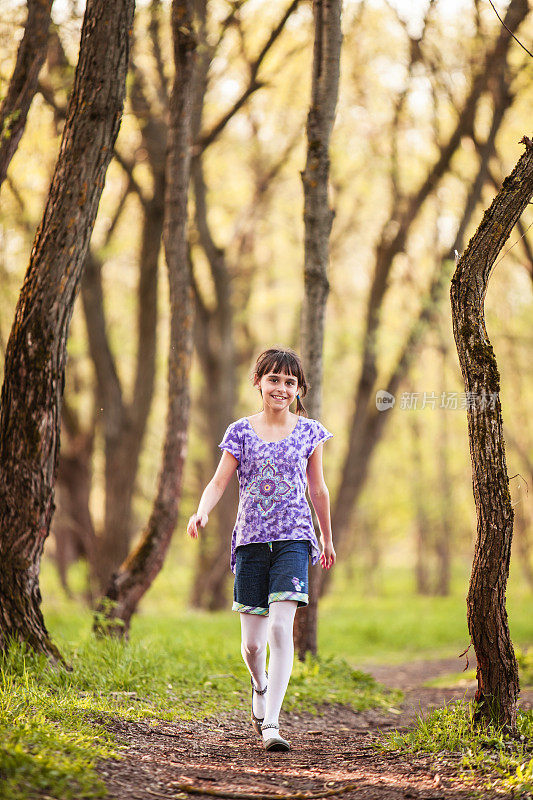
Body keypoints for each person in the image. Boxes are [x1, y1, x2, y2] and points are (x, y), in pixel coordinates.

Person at [186, 346, 335, 752]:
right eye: (273, 379)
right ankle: (259, 683)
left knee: (279, 627)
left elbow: (318, 489)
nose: (281, 388)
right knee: (252, 646)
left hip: (295, 539)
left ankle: (271, 721)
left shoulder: (310, 432)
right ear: (258, 382)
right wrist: (201, 513)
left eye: (290, 382)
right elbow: (218, 483)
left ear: (299, 389)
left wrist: (326, 537)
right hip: (250, 541)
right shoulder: (240, 431)